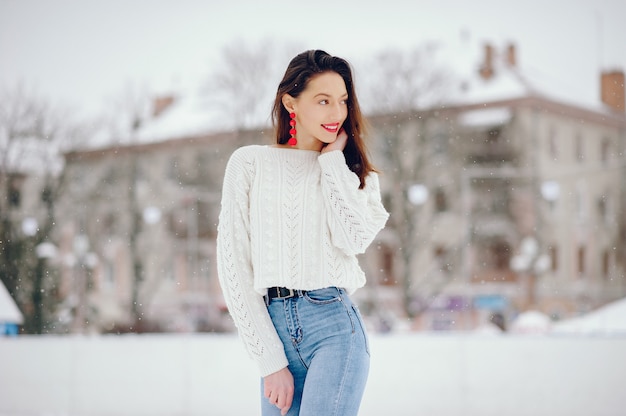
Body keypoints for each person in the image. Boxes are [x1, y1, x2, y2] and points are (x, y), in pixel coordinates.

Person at [216, 49, 389, 416]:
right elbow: (234, 269)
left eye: (342, 101)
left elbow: (354, 239)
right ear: (290, 103)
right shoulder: (249, 164)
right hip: (274, 326)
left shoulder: (355, 176)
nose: (336, 113)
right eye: (323, 100)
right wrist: (270, 362)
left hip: (335, 328)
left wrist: (331, 163)